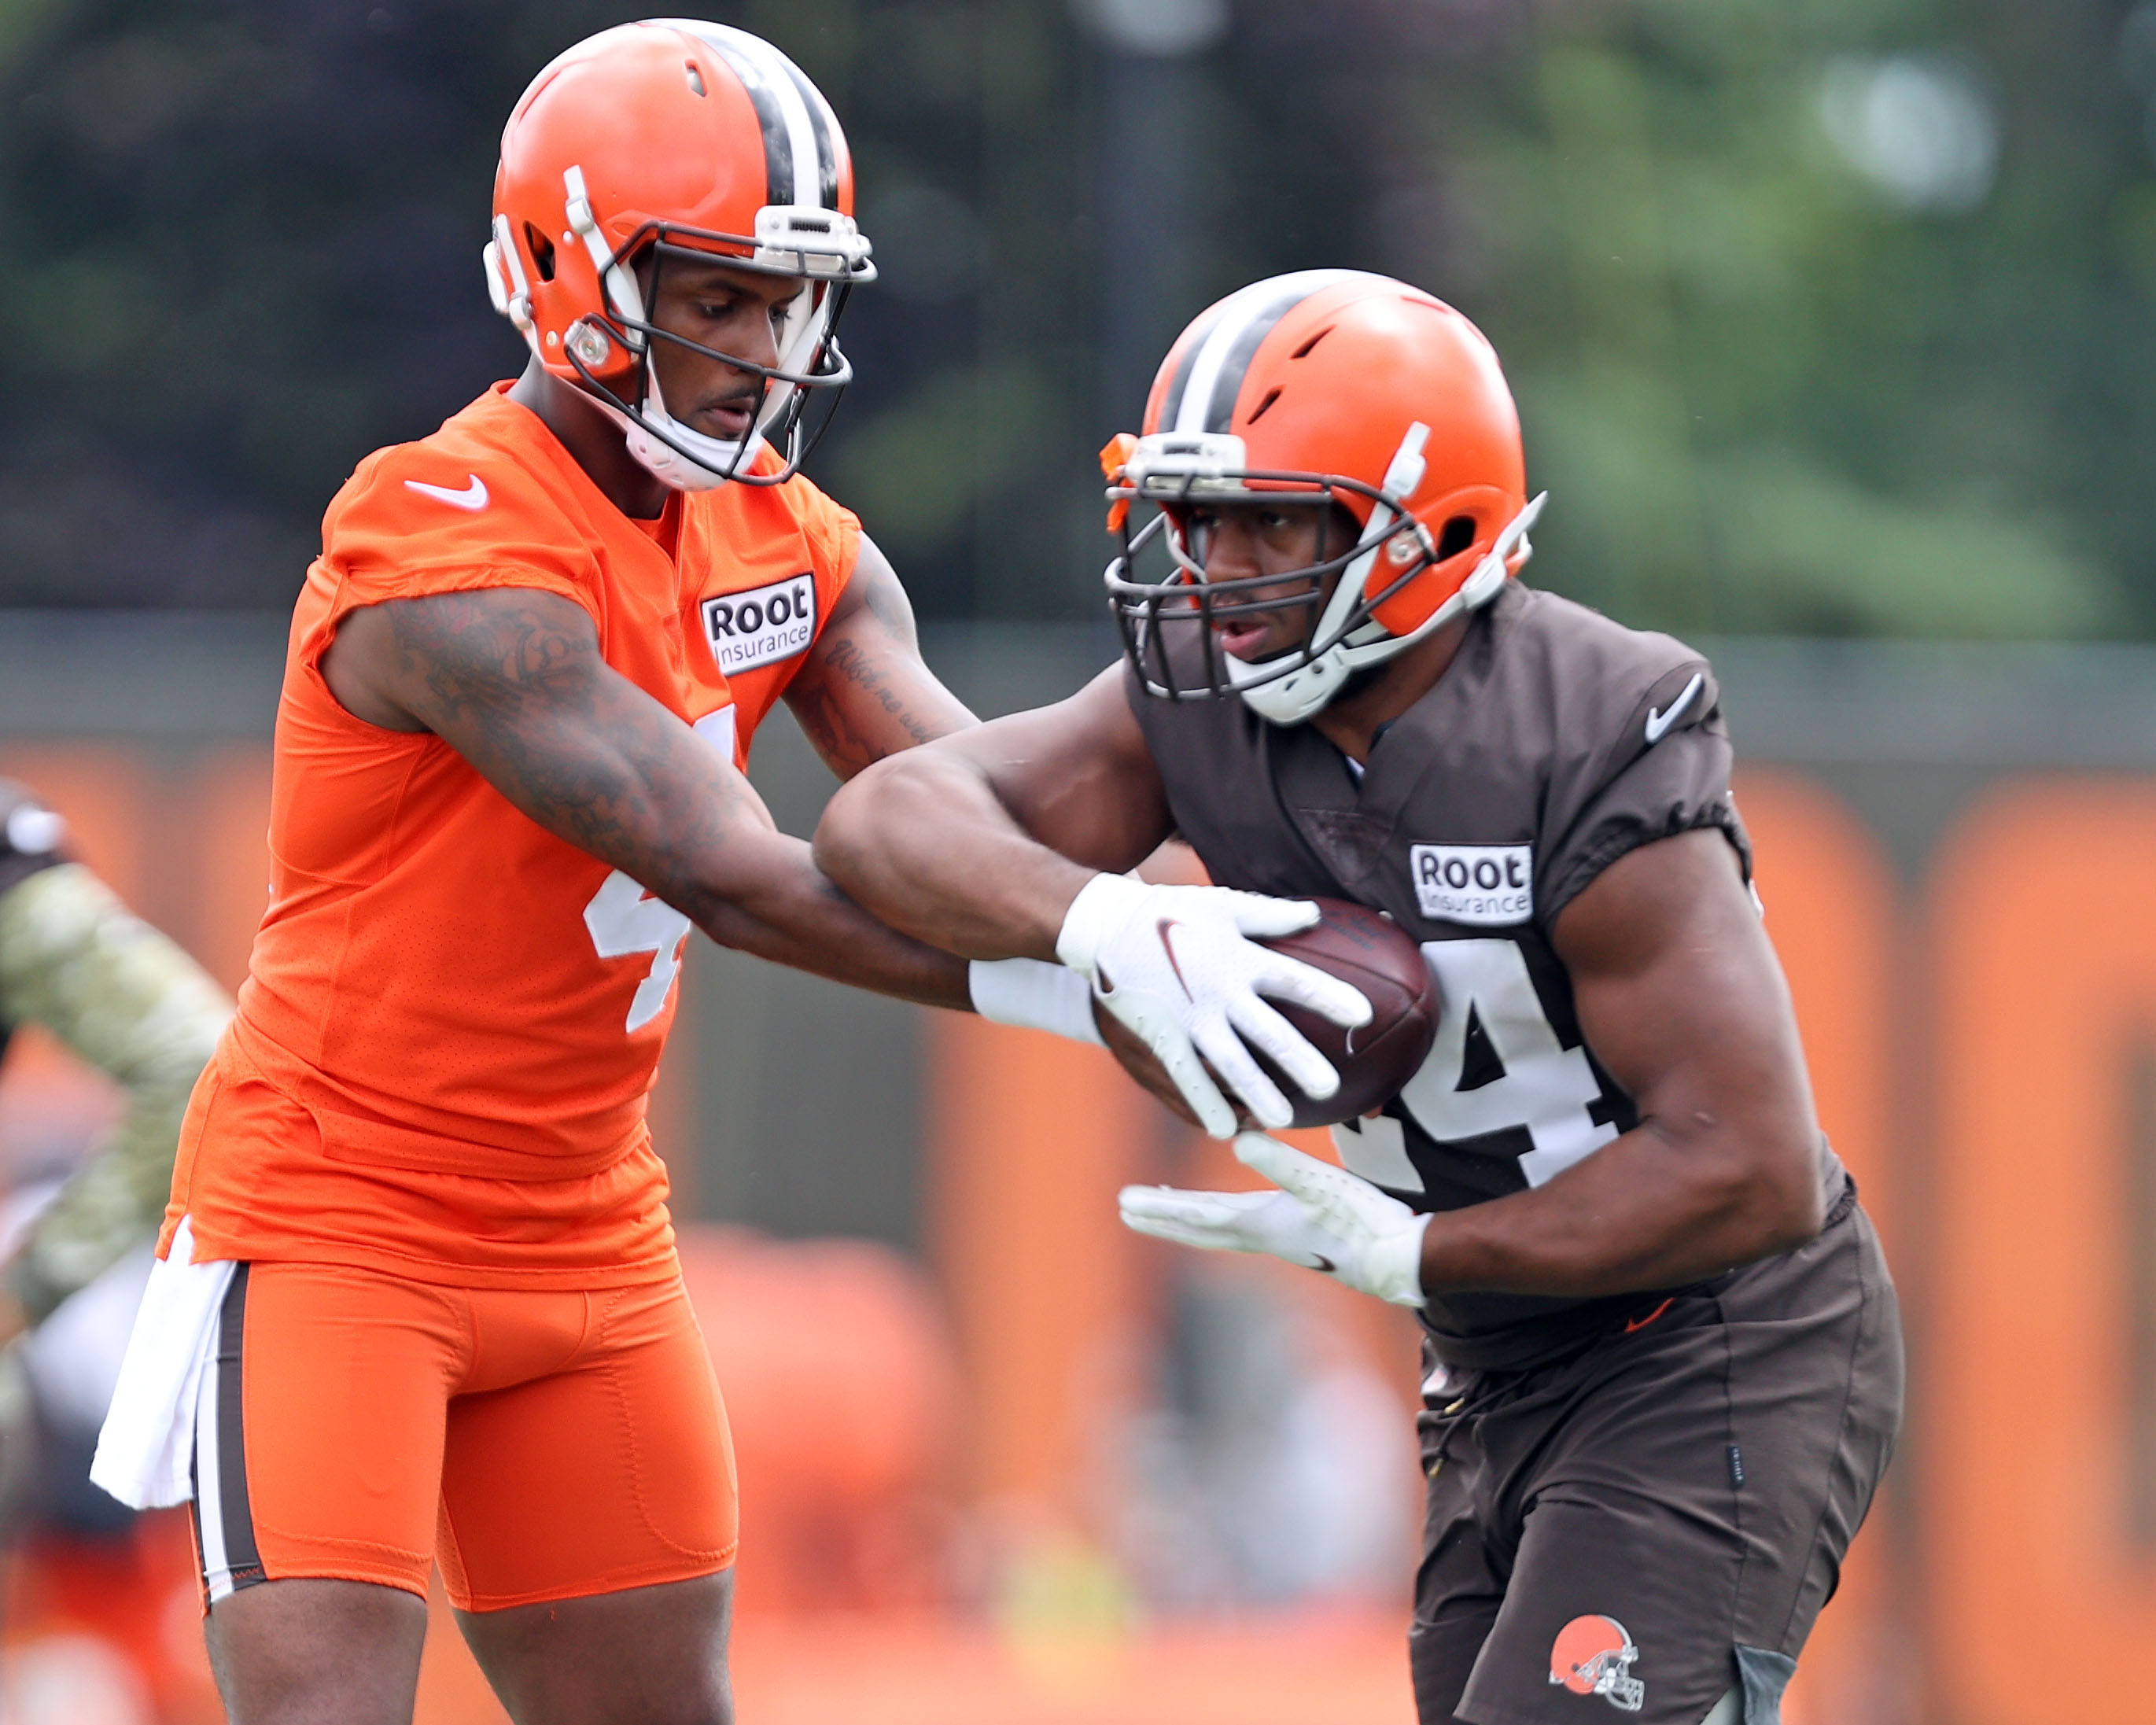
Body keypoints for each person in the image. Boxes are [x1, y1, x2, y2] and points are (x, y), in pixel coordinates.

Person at [95, 23, 1357, 1725]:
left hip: (584, 1227)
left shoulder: (796, 541)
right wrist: (1094, 966)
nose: (758, 348)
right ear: (566, 269)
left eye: (784, 300)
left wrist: (1256, 775)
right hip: (338, 1220)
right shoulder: (442, 538)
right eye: (713, 298)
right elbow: (736, 874)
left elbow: (980, 816)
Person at [814, 270, 1904, 1725]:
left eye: (1272, 518)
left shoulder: (1588, 729)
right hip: (1496, 1366)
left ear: (1435, 520)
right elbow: (889, 821)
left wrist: (1423, 1247)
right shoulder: (1194, 684)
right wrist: (1105, 917)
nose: (1219, 569)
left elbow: (1753, 1167)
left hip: (1713, 1341)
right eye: (1197, 518)